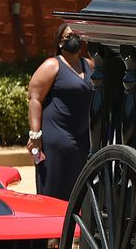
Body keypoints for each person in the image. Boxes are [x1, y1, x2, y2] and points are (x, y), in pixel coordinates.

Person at [26, 23, 92, 200]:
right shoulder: (52, 65)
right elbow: (34, 99)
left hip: (81, 140)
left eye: (77, 36)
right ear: (60, 43)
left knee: (76, 192)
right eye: (69, 36)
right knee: (53, 192)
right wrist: (35, 135)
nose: (74, 39)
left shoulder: (89, 65)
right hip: (55, 138)